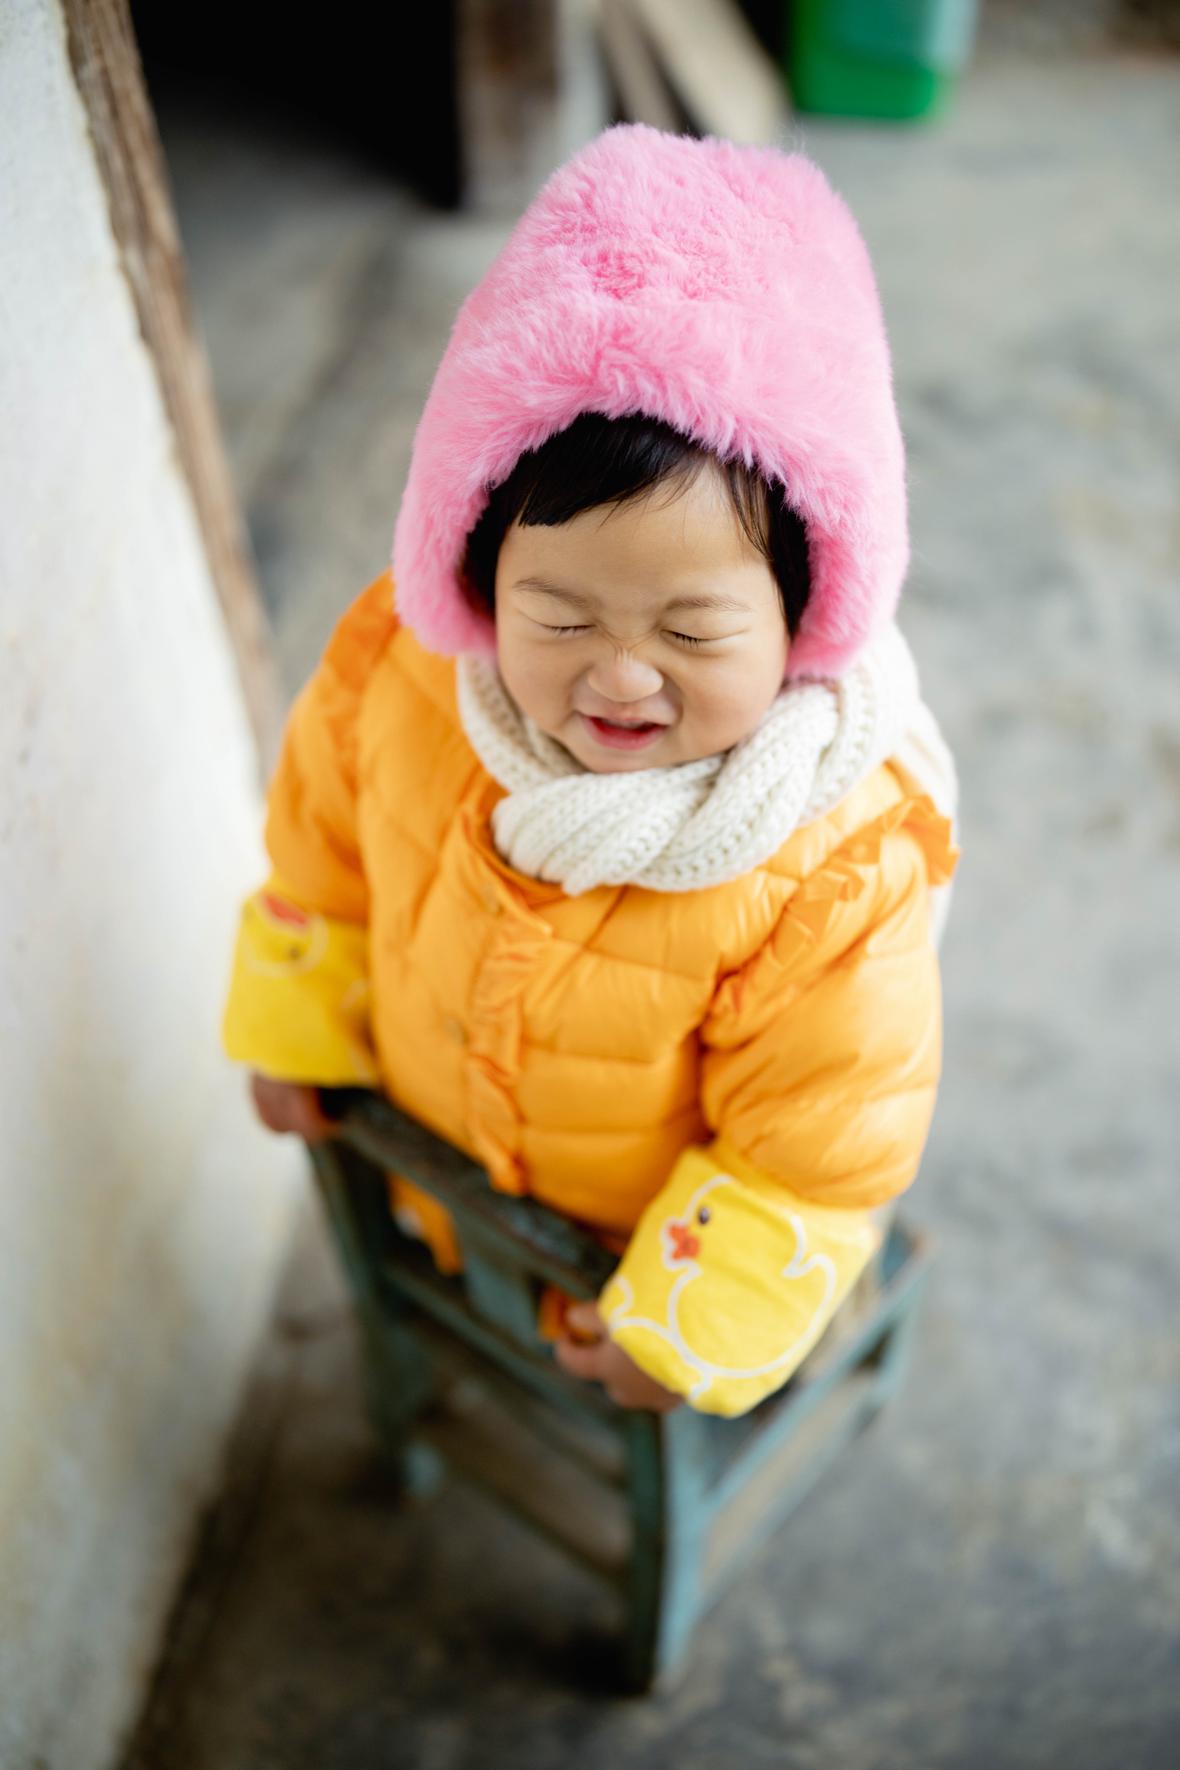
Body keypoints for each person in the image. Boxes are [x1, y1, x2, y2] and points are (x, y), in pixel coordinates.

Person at [221, 123, 962, 1419]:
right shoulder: (400, 676)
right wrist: (295, 1023)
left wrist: (682, 1324)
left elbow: (817, 1140)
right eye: (559, 617)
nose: (620, 678)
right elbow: (320, 858)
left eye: (693, 633)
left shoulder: (833, 867)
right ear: (476, 566)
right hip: (448, 1177)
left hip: (635, 1260)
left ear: (803, 617)